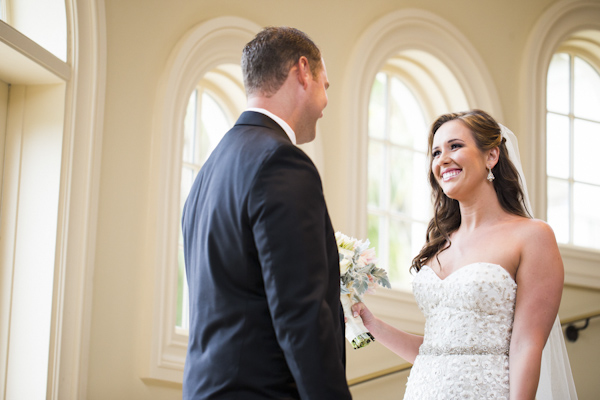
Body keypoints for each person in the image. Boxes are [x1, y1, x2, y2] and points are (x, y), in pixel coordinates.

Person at [352, 109, 577, 399]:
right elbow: (435, 352)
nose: (442, 159)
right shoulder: (437, 246)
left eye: (455, 146)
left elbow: (526, 346)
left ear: (491, 156)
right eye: (435, 152)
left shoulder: (532, 236)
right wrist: (373, 325)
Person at [181, 27, 352, 400]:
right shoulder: (281, 161)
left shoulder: (208, 173)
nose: (326, 103)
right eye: (326, 85)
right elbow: (300, 313)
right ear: (303, 72)